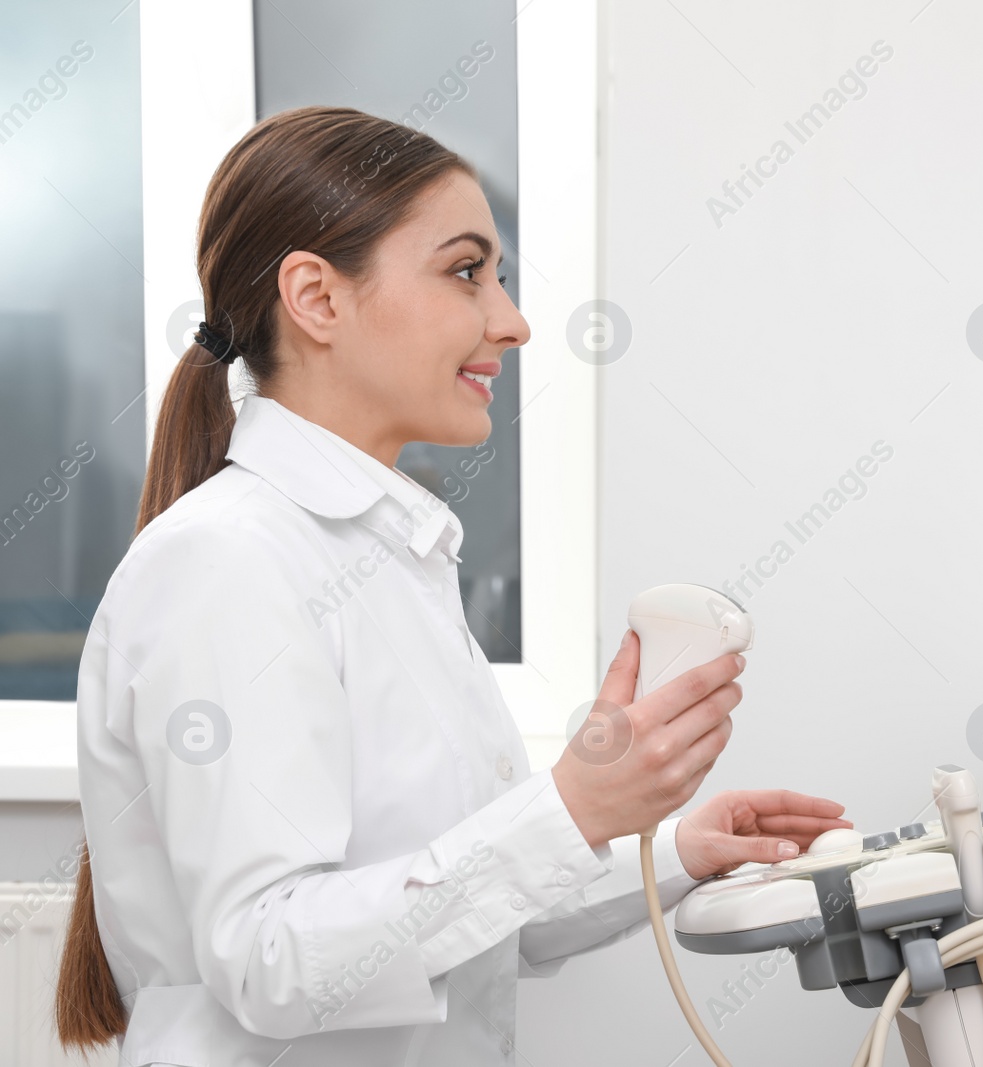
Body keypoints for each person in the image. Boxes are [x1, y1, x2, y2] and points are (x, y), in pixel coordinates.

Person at [54, 105, 850, 1066]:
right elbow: (270, 959)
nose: (510, 323)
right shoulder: (228, 562)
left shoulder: (390, 559)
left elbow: (466, 919)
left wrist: (673, 844)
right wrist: (572, 807)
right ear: (316, 297)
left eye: (499, 279)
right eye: (466, 271)